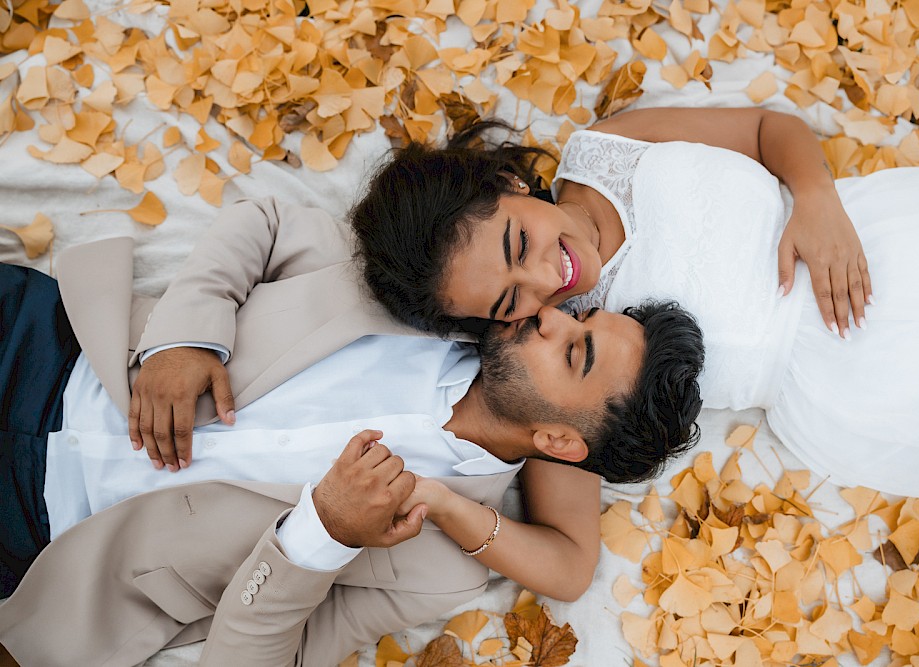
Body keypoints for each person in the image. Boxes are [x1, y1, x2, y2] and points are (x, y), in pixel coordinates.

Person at [0, 196, 705, 664]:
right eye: (577, 319)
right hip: (55, 347)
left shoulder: (441, 569)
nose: (549, 315)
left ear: (559, 443)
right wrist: (185, 339)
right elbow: (267, 221)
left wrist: (322, 535)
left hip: (41, 528)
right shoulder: (437, 287)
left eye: (574, 353)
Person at [350, 107, 919, 518]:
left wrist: (815, 198)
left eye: (519, 243)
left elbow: (767, 130)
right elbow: (568, 549)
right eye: (508, 301)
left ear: (509, 185)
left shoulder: (604, 147)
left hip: (873, 231)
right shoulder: (575, 354)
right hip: (852, 374)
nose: (547, 279)